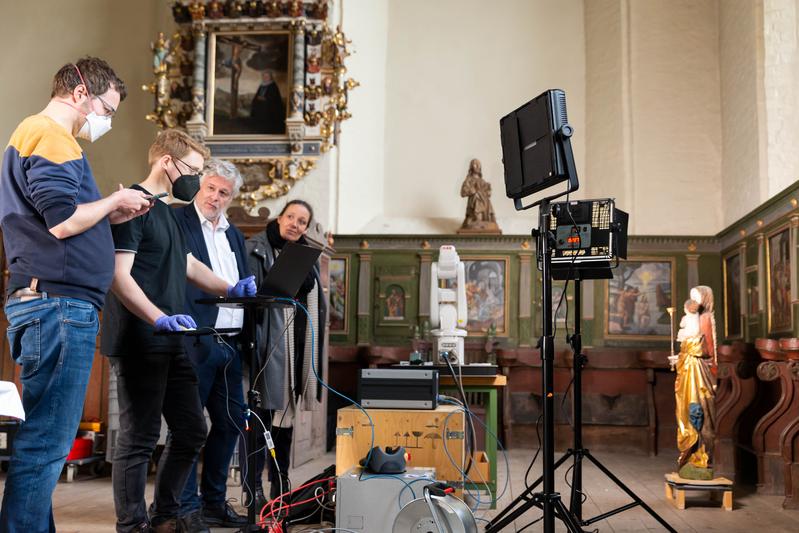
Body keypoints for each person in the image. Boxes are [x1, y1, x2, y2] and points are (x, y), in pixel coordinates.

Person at [0, 56, 151, 532]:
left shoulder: (39, 135)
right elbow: (62, 221)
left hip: (49, 305)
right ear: (82, 92)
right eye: (107, 107)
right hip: (59, 308)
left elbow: (59, 217)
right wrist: (115, 200)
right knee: (46, 443)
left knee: (43, 441)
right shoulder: (50, 135)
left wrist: (107, 216)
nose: (104, 119)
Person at [101, 129, 257, 533]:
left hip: (173, 341)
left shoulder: (168, 212)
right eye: (191, 169)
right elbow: (119, 276)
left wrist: (230, 288)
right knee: (139, 437)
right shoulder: (132, 207)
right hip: (141, 338)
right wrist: (156, 317)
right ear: (167, 163)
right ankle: (132, 524)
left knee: (191, 429)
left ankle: (166, 514)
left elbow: (187, 264)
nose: (195, 178)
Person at [173, 158, 248, 531]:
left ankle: (215, 503)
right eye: (211, 189)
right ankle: (185, 507)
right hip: (196, 340)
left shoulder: (233, 233)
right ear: (199, 187)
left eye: (224, 193)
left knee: (231, 422)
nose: (215, 198)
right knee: (188, 427)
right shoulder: (179, 221)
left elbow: (242, 280)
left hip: (231, 343)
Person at [245, 200, 327, 508]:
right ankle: (254, 493)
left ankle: (279, 491)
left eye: (302, 221)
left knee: (285, 422)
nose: (295, 224)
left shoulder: (308, 257)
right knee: (261, 421)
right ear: (280, 218)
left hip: (297, 346)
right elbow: (253, 295)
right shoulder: (255, 247)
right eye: (290, 217)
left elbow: (315, 302)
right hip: (265, 346)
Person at [672, 285, 717, 480]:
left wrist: (688, 353)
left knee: (699, 411)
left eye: (696, 298)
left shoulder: (705, 319)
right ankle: (689, 456)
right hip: (688, 371)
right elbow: (689, 349)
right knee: (686, 410)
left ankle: (702, 458)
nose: (692, 302)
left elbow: (707, 350)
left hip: (700, 373)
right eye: (691, 298)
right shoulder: (692, 320)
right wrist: (680, 358)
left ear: (705, 300)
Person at [250, 70, 285, 134]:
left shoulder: (273, 86)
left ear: (270, 77)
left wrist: (264, 98)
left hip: (270, 106)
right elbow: (257, 96)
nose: (265, 78)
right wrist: (257, 99)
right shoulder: (261, 85)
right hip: (261, 104)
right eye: (264, 76)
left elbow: (274, 98)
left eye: (267, 77)